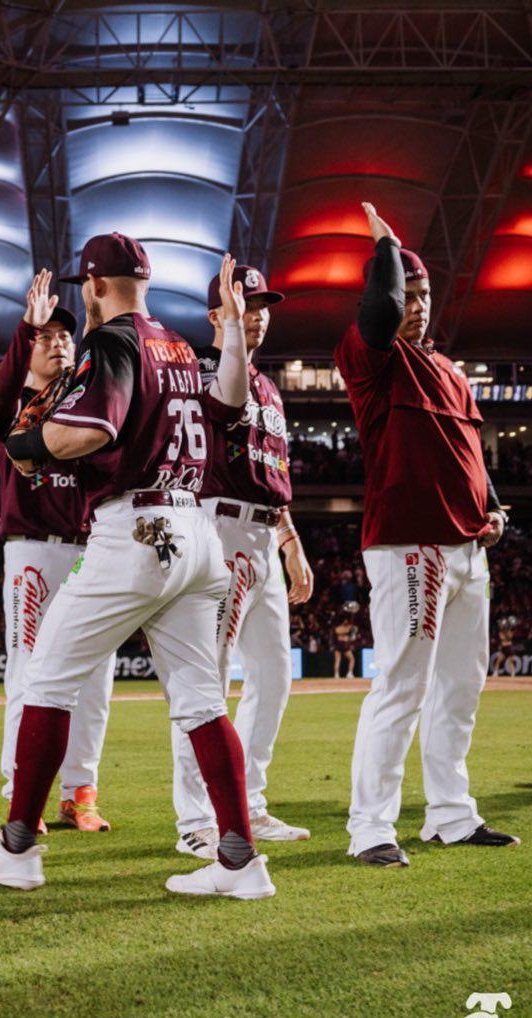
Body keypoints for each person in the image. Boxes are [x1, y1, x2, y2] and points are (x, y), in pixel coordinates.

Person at [0, 236, 276, 900]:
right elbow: (232, 406)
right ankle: (240, 859)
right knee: (202, 699)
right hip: (196, 528)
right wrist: (232, 333)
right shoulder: (179, 346)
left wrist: (25, 445)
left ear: (94, 285)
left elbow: (92, 430)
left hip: (138, 528)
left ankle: (17, 847)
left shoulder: (114, 342)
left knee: (48, 675)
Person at [337, 202, 519, 867]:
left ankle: (450, 814)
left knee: (460, 691)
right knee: (404, 687)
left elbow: (470, 454)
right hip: (412, 544)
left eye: (426, 295)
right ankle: (371, 827)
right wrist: (388, 246)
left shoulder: (449, 371)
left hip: (470, 547)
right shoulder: (371, 358)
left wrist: (495, 509)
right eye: (407, 294)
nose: (416, 306)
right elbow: (380, 313)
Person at [172, 264, 314, 861]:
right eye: (242, 303)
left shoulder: (271, 388)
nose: (256, 313)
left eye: (262, 305)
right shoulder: (201, 371)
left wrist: (291, 542)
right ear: (215, 316)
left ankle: (249, 800)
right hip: (218, 526)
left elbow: (273, 475)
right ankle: (197, 818)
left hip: (263, 534)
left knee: (274, 676)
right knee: (208, 679)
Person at [0, 269, 115, 832]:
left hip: (91, 549)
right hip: (33, 550)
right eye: (47, 337)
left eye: (66, 336)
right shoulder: (14, 405)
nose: (58, 342)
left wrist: (95, 322)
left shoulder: (85, 403)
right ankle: (22, 792)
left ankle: (79, 793)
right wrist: (24, 328)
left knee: (95, 678)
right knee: (30, 673)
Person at [332, 605, 359, 679]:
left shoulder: (337, 628)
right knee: (352, 659)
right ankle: (349, 673)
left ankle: (336, 675)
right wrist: (353, 613)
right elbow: (352, 621)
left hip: (337, 644)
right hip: (344, 645)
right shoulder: (348, 627)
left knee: (338, 660)